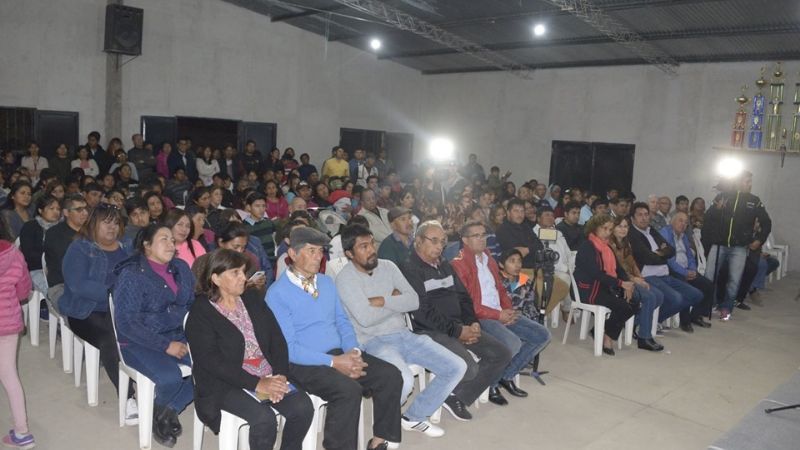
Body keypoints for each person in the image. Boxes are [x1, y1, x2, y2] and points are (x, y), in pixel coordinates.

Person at [267, 227, 403, 450]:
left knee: (389, 375)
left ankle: (380, 440)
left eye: (320, 251)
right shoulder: (277, 293)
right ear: (292, 254)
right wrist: (335, 363)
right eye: (311, 251)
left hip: (339, 353)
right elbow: (288, 348)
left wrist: (353, 353)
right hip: (301, 363)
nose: (318, 257)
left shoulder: (326, 282)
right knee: (348, 390)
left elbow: (342, 322)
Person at [336, 224, 466, 439]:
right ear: (349, 253)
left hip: (405, 334)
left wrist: (382, 301)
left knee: (456, 366)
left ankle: (415, 416)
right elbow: (366, 319)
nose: (371, 250)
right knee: (402, 380)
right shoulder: (345, 279)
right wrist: (396, 300)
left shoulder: (388, 266)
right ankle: (385, 425)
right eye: (363, 246)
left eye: (372, 243)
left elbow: (413, 300)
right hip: (374, 341)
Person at [186, 249, 313, 449]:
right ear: (216, 279)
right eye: (235, 272)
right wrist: (257, 383)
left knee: (303, 408)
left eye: (243, 272)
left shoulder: (252, 298)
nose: (243, 278)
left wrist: (279, 375)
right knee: (264, 420)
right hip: (225, 382)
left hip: (266, 372)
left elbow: (277, 339)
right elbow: (212, 362)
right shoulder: (201, 312)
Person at [400, 221, 511, 421]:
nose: (439, 246)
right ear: (417, 241)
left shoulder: (444, 264)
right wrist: (458, 332)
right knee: (468, 367)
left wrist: (472, 322)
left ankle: (456, 396)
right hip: (429, 331)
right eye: (433, 241)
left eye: (442, 241)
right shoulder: (409, 269)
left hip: (459, 326)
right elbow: (423, 313)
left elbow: (464, 297)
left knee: (501, 353)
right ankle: (443, 397)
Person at [113, 224, 196, 447]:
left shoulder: (181, 267)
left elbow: (192, 303)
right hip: (138, 340)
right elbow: (127, 323)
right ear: (147, 245)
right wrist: (165, 345)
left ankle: (165, 412)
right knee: (171, 378)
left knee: (211, 370)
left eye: (172, 240)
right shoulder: (131, 274)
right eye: (163, 239)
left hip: (179, 335)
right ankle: (162, 415)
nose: (171, 244)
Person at [451, 221, 550, 405]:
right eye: (477, 236)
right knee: (512, 343)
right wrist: (498, 316)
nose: (483, 239)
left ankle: (506, 375)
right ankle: (492, 385)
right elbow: (469, 305)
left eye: (484, 235)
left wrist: (508, 309)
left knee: (542, 335)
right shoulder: (459, 264)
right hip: (480, 317)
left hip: (499, 311)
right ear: (465, 240)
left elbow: (500, 288)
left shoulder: (488, 256)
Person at [59, 203, 137, 420]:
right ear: (93, 223)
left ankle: (153, 382)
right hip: (87, 311)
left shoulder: (127, 246)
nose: (111, 227)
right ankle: (128, 397)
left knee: (151, 328)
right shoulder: (81, 248)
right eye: (106, 222)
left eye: (115, 222)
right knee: (110, 338)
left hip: (122, 308)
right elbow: (78, 284)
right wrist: (115, 295)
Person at [703, 171, 771, 320]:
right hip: (719, 244)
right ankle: (709, 304)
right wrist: (716, 209)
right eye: (747, 181)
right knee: (709, 276)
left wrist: (759, 240)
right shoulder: (723, 196)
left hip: (739, 247)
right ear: (739, 182)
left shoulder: (755, 201)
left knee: (734, 280)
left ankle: (727, 308)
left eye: (750, 182)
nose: (750, 184)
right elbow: (707, 218)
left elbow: (766, 223)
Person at [628, 202, 703, 332]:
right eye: (640, 215)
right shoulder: (632, 234)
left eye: (646, 214)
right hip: (648, 276)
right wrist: (662, 253)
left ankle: (652, 320)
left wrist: (658, 254)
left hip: (665, 274)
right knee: (676, 298)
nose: (644, 218)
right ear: (633, 218)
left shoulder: (652, 230)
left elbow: (671, 250)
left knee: (695, 294)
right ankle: (640, 322)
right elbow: (646, 257)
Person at [574, 215, 636, 355]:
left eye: (610, 229)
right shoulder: (587, 246)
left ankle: (598, 331)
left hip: (604, 286)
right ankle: (607, 338)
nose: (608, 232)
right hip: (588, 289)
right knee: (623, 307)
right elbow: (596, 274)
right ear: (595, 228)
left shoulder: (607, 246)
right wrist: (621, 284)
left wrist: (627, 283)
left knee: (634, 303)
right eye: (604, 228)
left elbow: (619, 269)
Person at [0, 213, 35, 449]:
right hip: (8, 323)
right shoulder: (13, 252)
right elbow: (24, 290)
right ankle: (23, 433)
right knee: (9, 375)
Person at [608, 216, 665, 351]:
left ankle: (633, 323)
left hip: (632, 278)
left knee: (659, 296)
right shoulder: (610, 245)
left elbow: (633, 264)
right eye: (619, 226)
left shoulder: (626, 243)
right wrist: (634, 280)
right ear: (613, 228)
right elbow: (616, 270)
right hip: (619, 282)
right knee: (649, 297)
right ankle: (644, 338)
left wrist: (640, 278)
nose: (623, 229)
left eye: (626, 226)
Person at [659, 212, 713, 328]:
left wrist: (692, 270)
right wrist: (684, 272)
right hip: (672, 270)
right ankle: (685, 320)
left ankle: (696, 315)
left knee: (707, 285)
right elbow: (670, 260)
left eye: (686, 223)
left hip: (686, 270)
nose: (683, 224)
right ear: (672, 221)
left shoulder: (683, 237)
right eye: (680, 221)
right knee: (686, 287)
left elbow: (690, 256)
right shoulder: (665, 233)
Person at [19, 195, 61, 294]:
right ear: (40, 210)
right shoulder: (30, 227)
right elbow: (28, 254)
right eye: (51, 208)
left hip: (58, 270)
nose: (56, 212)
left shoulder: (62, 228)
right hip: (36, 269)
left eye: (58, 209)